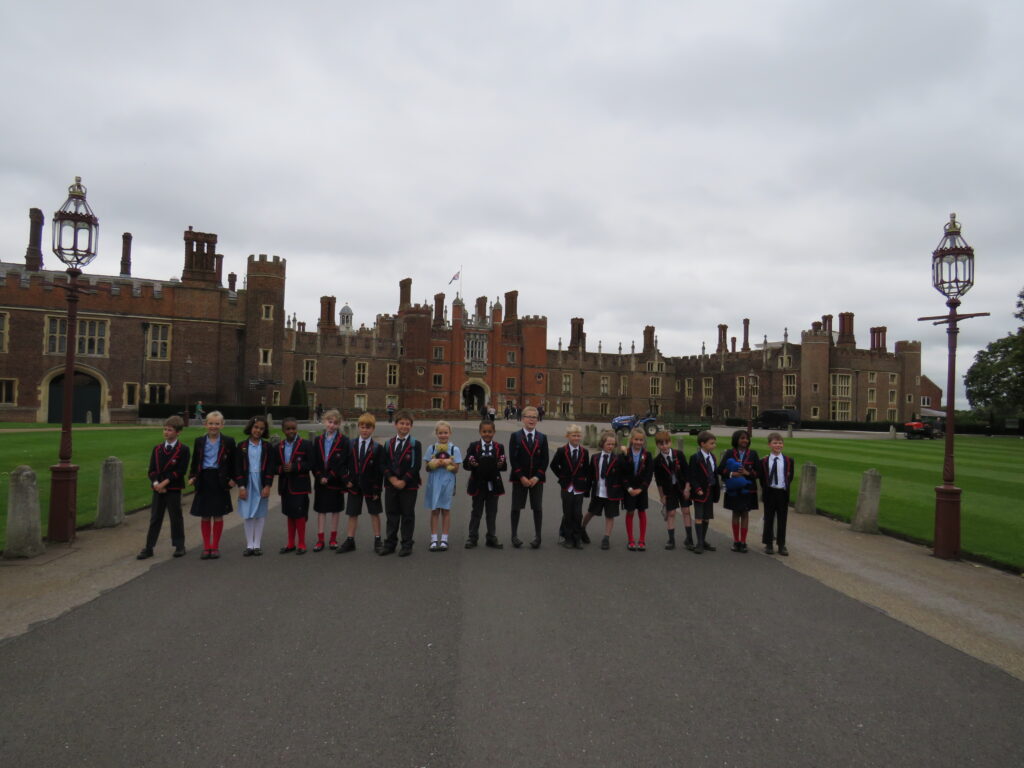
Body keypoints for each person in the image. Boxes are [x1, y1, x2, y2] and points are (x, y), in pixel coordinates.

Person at [137, 415, 191, 560]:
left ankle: (179, 545)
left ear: (178, 432)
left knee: (175, 517)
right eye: (165, 429)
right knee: (155, 518)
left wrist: (164, 483)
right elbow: (152, 470)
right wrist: (156, 484)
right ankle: (149, 547)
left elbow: (180, 471)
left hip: (173, 488)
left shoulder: (183, 450)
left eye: (170, 430)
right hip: (158, 489)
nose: (166, 432)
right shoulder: (157, 449)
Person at [187, 410, 237, 560]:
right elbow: (195, 461)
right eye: (210, 423)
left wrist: (233, 478)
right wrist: (192, 476)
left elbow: (233, 462)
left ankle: (215, 546)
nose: (213, 426)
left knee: (218, 514)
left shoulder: (228, 441)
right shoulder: (199, 441)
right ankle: (206, 546)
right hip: (204, 479)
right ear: (205, 424)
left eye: (216, 424)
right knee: (205, 515)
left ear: (222, 425)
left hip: (220, 479)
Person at [339, 412, 386, 553]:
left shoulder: (378, 448)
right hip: (353, 484)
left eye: (368, 427)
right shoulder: (350, 444)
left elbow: (379, 471)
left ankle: (378, 539)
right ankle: (350, 540)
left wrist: (377, 489)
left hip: (371, 486)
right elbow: (341, 464)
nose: (365, 430)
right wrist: (346, 480)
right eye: (362, 427)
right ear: (358, 427)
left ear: (373, 429)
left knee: (374, 513)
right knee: (352, 513)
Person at [379, 409, 422, 557]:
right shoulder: (388, 444)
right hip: (391, 485)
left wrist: (403, 480)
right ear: (396, 425)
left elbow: (416, 466)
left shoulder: (415, 444)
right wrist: (392, 479)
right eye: (402, 423)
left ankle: (406, 544)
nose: (404, 426)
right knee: (391, 515)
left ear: (411, 426)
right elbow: (383, 464)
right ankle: (390, 543)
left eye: (408, 424)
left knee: (407, 515)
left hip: (408, 485)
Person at [508, 405, 549, 548]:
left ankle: (538, 536)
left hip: (536, 479)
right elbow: (513, 459)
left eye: (534, 417)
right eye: (529, 417)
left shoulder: (542, 438)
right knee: (516, 507)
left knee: (537, 508)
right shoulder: (515, 436)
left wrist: (537, 477)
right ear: (523, 418)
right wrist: (522, 477)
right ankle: (514, 535)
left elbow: (545, 460)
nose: (531, 420)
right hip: (520, 478)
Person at [236, 415, 276, 556]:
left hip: (260, 482)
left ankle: (257, 544)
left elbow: (271, 467)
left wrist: (267, 486)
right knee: (247, 513)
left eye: (261, 428)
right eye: (255, 427)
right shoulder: (241, 446)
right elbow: (238, 468)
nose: (258, 430)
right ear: (250, 428)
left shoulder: (267, 447)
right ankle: (249, 545)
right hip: (247, 483)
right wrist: (241, 487)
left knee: (259, 514)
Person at [463, 419, 506, 549]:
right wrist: (471, 464)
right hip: (478, 484)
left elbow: (504, 467)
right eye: (484, 431)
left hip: (494, 485)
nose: (487, 434)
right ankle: (472, 537)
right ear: (480, 432)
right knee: (476, 512)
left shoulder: (499, 447)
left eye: (490, 432)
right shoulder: (473, 446)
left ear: (494, 432)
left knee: (492, 512)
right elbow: (466, 465)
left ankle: (491, 537)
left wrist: (500, 464)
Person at [312, 409, 350, 552]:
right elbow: (314, 462)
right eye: (330, 422)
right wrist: (320, 476)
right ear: (324, 422)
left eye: (335, 423)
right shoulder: (318, 440)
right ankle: (320, 539)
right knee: (321, 511)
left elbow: (342, 462)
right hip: (320, 480)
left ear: (339, 424)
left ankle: (333, 538)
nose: (332, 425)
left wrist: (329, 477)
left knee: (335, 510)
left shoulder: (344, 441)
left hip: (335, 480)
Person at [549, 424, 590, 549]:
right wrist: (562, 477)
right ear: (568, 436)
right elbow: (553, 465)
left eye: (578, 435)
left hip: (579, 487)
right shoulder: (562, 451)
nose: (576, 438)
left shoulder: (584, 452)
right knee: (568, 513)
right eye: (574, 435)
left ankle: (577, 538)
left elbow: (586, 469)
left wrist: (585, 484)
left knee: (578, 513)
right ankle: (568, 538)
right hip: (566, 486)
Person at [277, 416, 314, 554]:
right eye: (288, 429)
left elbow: (311, 464)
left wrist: (295, 467)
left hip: (300, 485)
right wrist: (281, 469)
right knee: (289, 514)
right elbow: (274, 466)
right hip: (285, 486)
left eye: (293, 428)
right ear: (283, 430)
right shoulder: (279, 446)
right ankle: (290, 543)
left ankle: (302, 544)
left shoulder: (306, 444)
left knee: (299, 514)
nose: (291, 431)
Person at [582, 430, 625, 550]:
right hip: (598, 491)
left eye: (613, 444)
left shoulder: (618, 459)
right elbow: (590, 475)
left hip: (612, 493)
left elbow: (624, 473)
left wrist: (626, 454)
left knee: (610, 515)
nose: (611, 446)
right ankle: (582, 528)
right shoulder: (595, 458)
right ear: (602, 444)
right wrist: (587, 490)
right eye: (608, 444)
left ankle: (606, 538)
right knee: (591, 512)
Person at [719, 429, 760, 553]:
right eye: (742, 438)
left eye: (747, 438)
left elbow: (758, 472)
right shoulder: (730, 453)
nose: (745, 440)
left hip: (748, 489)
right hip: (734, 490)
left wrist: (748, 473)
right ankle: (736, 541)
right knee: (736, 513)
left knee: (745, 514)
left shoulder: (753, 454)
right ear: (736, 440)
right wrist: (732, 473)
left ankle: (743, 541)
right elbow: (720, 469)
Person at [424, 420, 461, 551]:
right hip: (434, 482)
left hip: (447, 482)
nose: (443, 435)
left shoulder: (454, 449)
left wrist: (446, 464)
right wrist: (433, 464)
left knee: (445, 510)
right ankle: (434, 538)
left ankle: (444, 539)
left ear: (450, 433)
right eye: (440, 433)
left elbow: (456, 469)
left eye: (445, 433)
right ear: (436, 434)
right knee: (434, 510)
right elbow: (427, 468)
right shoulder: (431, 448)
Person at [652, 431, 693, 550]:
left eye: (666, 443)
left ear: (670, 442)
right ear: (657, 445)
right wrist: (662, 496)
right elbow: (658, 481)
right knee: (671, 513)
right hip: (669, 490)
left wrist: (687, 488)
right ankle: (671, 539)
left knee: (686, 511)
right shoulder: (657, 461)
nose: (664, 446)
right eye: (661, 444)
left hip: (682, 488)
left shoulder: (678, 454)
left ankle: (689, 538)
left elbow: (687, 471)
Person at [758, 432, 794, 555]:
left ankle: (781, 544)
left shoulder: (789, 460)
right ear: (769, 445)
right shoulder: (764, 461)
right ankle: (768, 543)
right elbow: (762, 478)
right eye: (775, 443)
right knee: (769, 518)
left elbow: (790, 477)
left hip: (782, 492)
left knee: (782, 519)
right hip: (770, 492)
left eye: (780, 443)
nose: (778, 445)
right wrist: (766, 489)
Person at [686, 431, 720, 555]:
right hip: (700, 492)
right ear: (702, 444)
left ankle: (703, 540)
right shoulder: (695, 458)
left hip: (710, 491)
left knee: (706, 517)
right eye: (711, 443)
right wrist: (697, 488)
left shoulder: (713, 457)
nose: (714, 445)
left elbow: (714, 473)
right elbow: (692, 476)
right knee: (699, 517)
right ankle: (699, 543)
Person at [621, 428, 654, 551]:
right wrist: (629, 488)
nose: (638, 442)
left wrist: (641, 489)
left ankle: (641, 540)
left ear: (644, 441)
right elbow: (622, 473)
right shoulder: (625, 453)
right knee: (630, 512)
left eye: (641, 440)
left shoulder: (647, 455)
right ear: (631, 440)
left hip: (641, 489)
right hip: (629, 489)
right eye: (636, 439)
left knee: (641, 512)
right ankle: (630, 539)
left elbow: (649, 475)